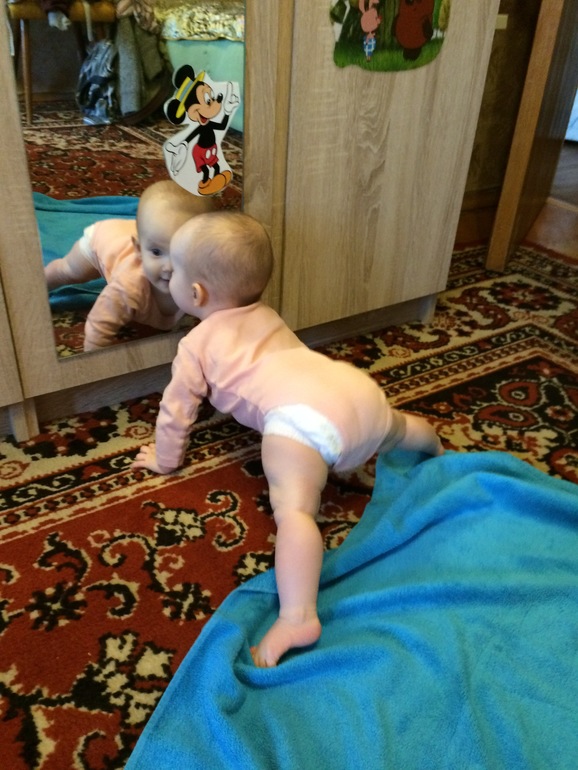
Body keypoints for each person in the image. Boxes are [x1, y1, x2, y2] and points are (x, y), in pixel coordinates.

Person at [132, 211, 444, 667]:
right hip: (356, 391)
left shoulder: (194, 346)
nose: (167, 275)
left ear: (195, 293)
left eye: (174, 269)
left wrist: (164, 459)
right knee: (398, 427)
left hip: (303, 423)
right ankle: (434, 447)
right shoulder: (267, 314)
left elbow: (176, 411)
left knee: (296, 511)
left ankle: (298, 616)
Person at [45, 180, 214, 351]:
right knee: (68, 271)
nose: (169, 267)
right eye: (156, 252)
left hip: (138, 233)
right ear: (139, 250)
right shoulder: (127, 288)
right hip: (102, 240)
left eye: (182, 254)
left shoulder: (207, 282)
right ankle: (41, 282)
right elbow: (98, 329)